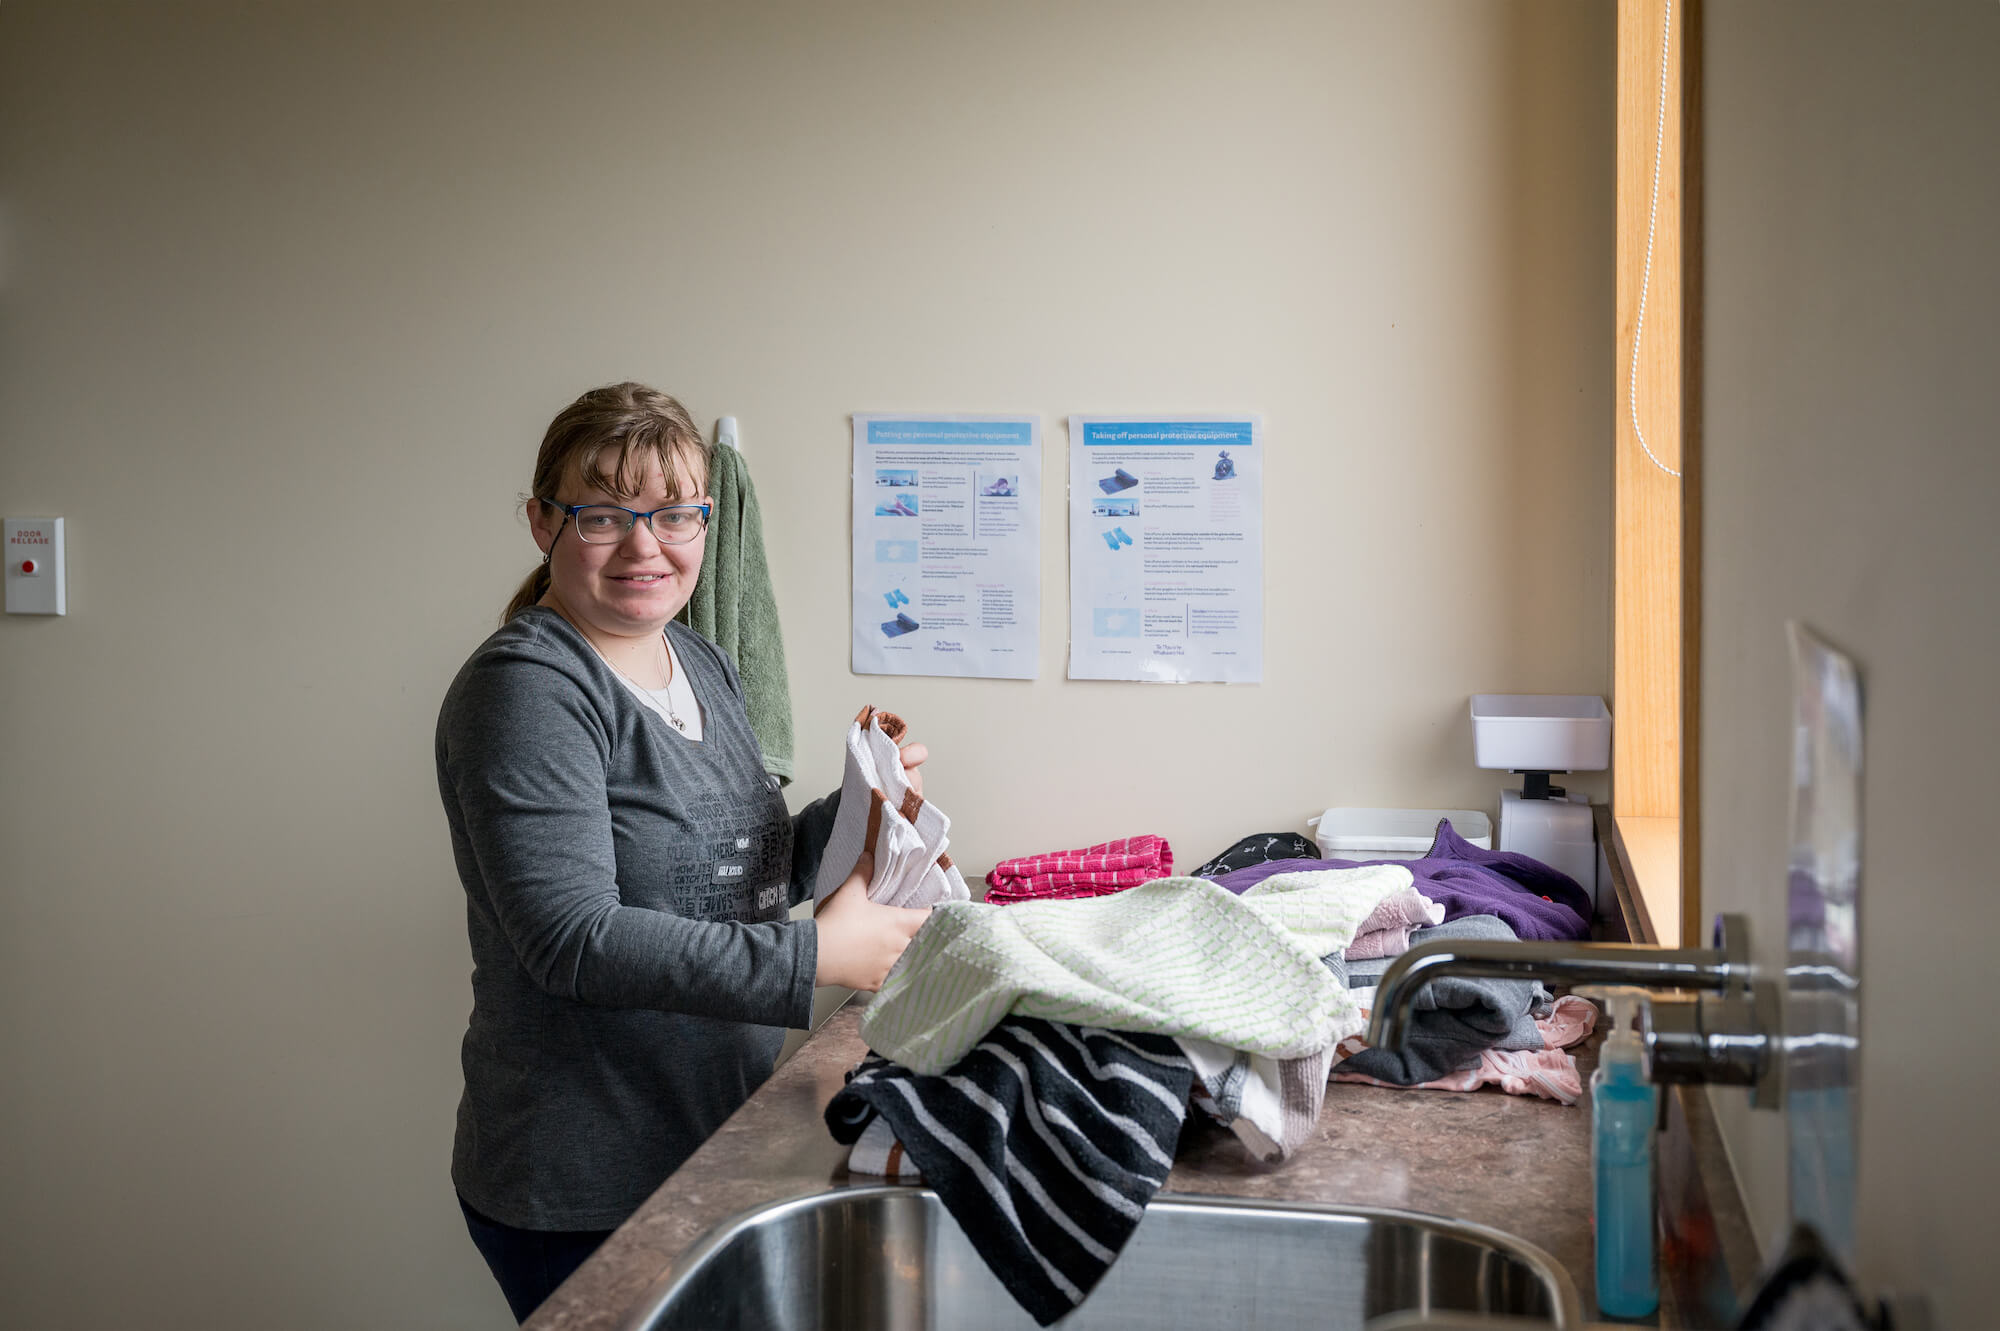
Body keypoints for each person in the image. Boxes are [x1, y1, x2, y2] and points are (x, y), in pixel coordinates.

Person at [435, 383, 931, 1322]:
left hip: (708, 1137)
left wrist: (863, 805)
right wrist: (816, 955)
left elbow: (745, 871)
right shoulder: (528, 691)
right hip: (586, 1184)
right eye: (604, 515)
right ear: (542, 521)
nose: (644, 545)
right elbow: (572, 940)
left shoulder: (699, 662)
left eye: (673, 514)